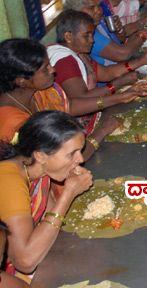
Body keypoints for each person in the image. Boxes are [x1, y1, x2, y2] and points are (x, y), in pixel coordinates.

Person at [0, 111, 94, 281]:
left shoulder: (39, 170)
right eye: (71, 153)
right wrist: (68, 193)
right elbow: (25, 261)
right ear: (40, 155)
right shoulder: (8, 180)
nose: (80, 159)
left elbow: (50, 217)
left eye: (80, 151)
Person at [0, 39, 129, 159]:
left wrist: (118, 98)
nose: (53, 69)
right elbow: (63, 159)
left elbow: (67, 106)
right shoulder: (12, 124)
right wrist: (103, 131)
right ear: (22, 81)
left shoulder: (35, 91)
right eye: (45, 69)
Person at [47, 10, 147, 135]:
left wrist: (141, 61)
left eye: (92, 35)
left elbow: (106, 73)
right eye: (86, 36)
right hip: (70, 129)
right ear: (68, 37)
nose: (92, 40)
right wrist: (118, 89)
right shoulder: (64, 60)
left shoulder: (79, 54)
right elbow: (82, 99)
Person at [63, 0, 147, 67]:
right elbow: (122, 54)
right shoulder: (86, 34)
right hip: (111, 77)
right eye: (91, 8)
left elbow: (119, 40)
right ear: (76, 11)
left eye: (99, 6)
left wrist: (119, 31)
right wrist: (141, 35)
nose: (99, 11)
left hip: (118, 71)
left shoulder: (99, 22)